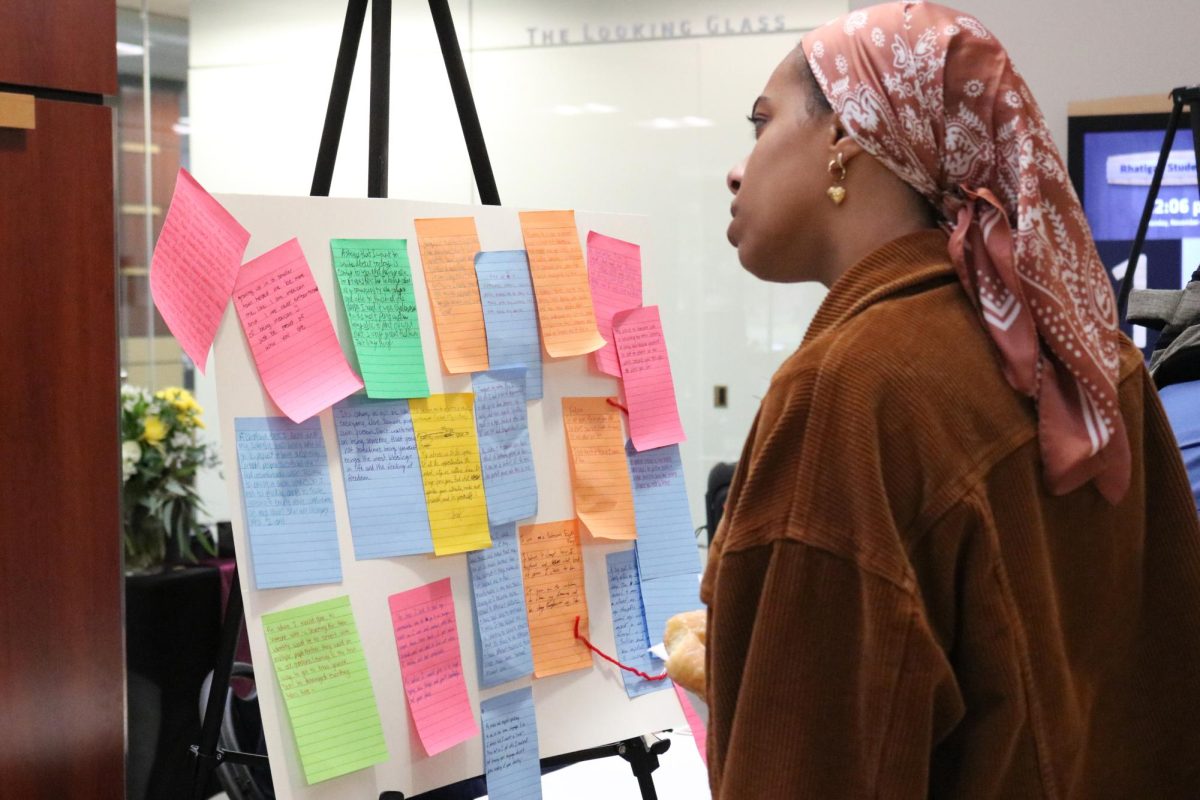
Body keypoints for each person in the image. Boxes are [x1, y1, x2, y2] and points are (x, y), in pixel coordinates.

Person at [687, 2, 1200, 797]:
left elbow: (810, 765)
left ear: (845, 139)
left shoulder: (851, 389)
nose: (735, 165)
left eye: (762, 122)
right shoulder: (1092, 356)